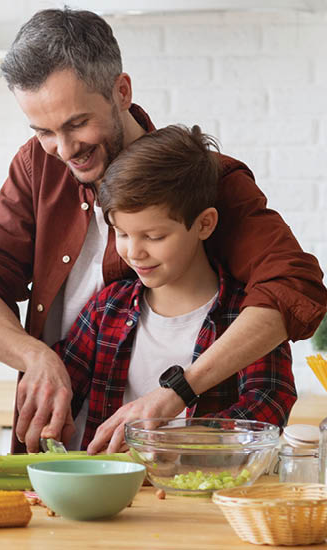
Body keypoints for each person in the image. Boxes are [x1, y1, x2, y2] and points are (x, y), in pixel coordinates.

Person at [0, 8, 326, 454]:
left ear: (121, 91)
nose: (64, 149)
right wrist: (36, 358)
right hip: (70, 458)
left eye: (76, 124)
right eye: (43, 131)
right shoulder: (37, 165)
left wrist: (177, 395)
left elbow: (293, 286)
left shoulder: (204, 180)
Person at [56, 124, 297, 449]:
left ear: (204, 224)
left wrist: (170, 442)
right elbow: (62, 390)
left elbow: (267, 407)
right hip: (110, 496)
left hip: (205, 495)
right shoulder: (106, 308)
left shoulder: (246, 318)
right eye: (122, 233)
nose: (133, 252)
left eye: (154, 237)